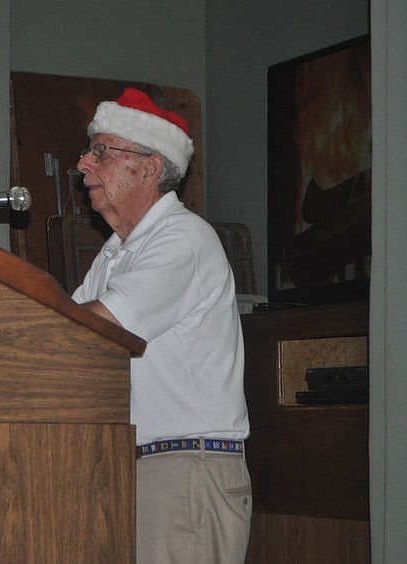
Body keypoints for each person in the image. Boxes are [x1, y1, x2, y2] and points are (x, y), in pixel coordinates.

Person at [72, 88, 252, 563]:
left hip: (184, 468)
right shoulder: (115, 251)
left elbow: (98, 330)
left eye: (101, 152)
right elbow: (65, 339)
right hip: (136, 466)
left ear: (149, 168)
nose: (83, 164)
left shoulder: (184, 239)